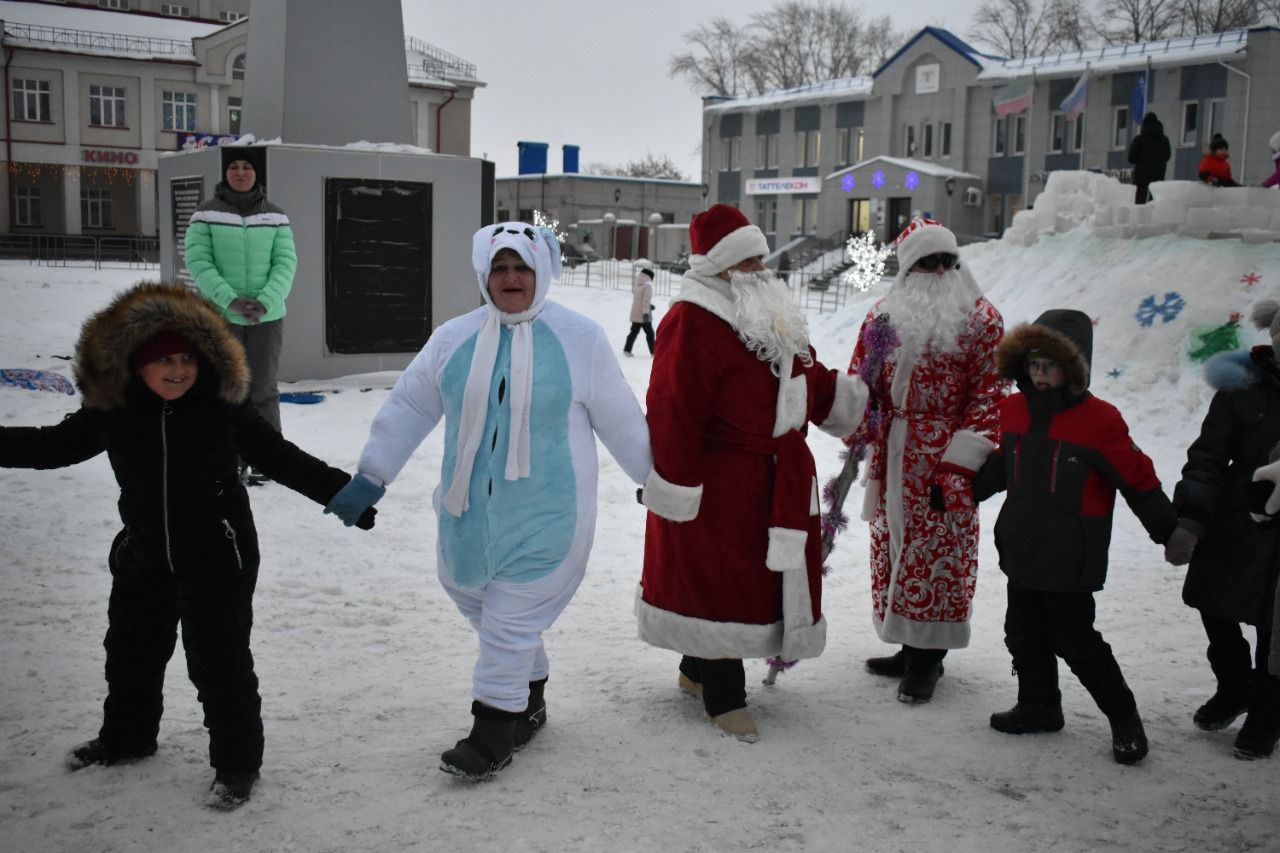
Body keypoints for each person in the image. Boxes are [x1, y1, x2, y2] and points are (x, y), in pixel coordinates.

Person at [0, 282, 375, 810]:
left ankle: (237, 765)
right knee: (130, 653)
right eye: (162, 360)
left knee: (219, 663)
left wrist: (344, 495)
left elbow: (278, 456)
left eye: (186, 358)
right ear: (134, 364)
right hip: (144, 551)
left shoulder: (221, 407)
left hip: (219, 554)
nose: (177, 370)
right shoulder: (113, 409)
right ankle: (127, 739)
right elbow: (51, 446)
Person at [325, 222, 651, 782]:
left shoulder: (580, 338)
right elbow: (410, 406)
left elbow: (621, 417)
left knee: (510, 619)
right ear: (485, 275)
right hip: (466, 515)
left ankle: (494, 726)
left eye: (521, 267)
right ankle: (530, 694)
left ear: (541, 272)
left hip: (551, 515)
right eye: (499, 268)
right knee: (476, 599)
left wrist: (654, 477)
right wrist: (373, 474)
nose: (510, 278)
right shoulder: (455, 337)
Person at [637, 204, 869, 742]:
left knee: (748, 583)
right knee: (722, 587)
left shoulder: (769, 314)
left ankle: (696, 672)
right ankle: (725, 697)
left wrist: (854, 401)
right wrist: (677, 487)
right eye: (748, 262)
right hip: (719, 485)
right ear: (719, 267)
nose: (761, 271)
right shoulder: (693, 318)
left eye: (761, 259)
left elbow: (805, 375)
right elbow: (674, 408)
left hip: (773, 481)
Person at [970, 309, 1177, 764]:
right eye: (1034, 365)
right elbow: (1006, 466)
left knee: (1076, 640)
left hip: (1071, 554)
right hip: (1022, 545)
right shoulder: (1014, 410)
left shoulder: (1100, 421)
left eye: (1050, 366)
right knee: (1022, 633)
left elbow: (1138, 479)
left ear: (1075, 369)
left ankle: (1124, 719)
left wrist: (1171, 531)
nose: (1040, 376)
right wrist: (963, 491)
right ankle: (1039, 705)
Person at [845, 216, 1005, 704]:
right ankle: (905, 642)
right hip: (891, 455)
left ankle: (928, 659)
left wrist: (961, 465)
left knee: (938, 555)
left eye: (947, 260)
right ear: (908, 268)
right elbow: (862, 382)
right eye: (927, 261)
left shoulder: (982, 320)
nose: (939, 270)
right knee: (893, 546)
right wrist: (856, 431)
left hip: (942, 458)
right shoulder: (881, 318)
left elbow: (991, 396)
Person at [1165, 298, 1280, 760]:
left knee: (1276, 632)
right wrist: (1191, 518)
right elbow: (1209, 455)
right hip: (1237, 524)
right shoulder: (1242, 387)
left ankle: (1268, 712)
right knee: (1214, 605)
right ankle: (1234, 687)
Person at [184, 146, 296, 485]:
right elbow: (199, 262)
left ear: (256, 173)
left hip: (267, 317)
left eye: (247, 166)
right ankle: (227, 455)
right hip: (222, 317)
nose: (241, 172)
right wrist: (229, 300)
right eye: (234, 166)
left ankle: (265, 456)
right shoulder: (205, 215)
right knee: (227, 388)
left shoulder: (276, 216)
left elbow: (285, 263)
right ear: (226, 173)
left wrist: (265, 300)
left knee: (262, 388)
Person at [1127, 112, 1171, 204]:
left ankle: (1139, 217)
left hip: (1141, 176)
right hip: (1158, 175)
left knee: (1140, 202)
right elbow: (1168, 156)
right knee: (1155, 201)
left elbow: (1131, 158)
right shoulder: (1164, 140)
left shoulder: (1139, 139)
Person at [623, 259, 656, 356]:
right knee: (650, 334)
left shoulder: (638, 286)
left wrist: (650, 306)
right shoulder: (648, 287)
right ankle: (654, 352)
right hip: (643, 315)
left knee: (633, 332)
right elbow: (645, 301)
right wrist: (646, 313)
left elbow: (640, 301)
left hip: (635, 314)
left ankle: (627, 350)